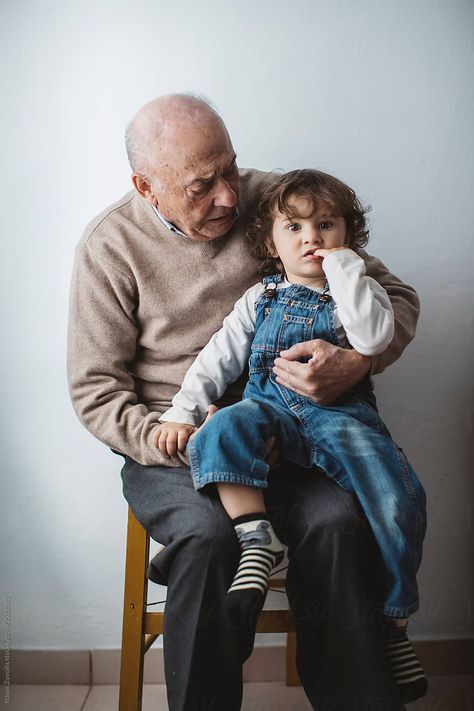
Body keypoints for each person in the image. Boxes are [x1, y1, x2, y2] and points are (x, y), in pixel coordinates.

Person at [68, 93, 420, 711]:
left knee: (337, 522)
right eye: (202, 185)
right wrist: (168, 435)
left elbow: (395, 298)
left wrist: (356, 365)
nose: (229, 196)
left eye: (230, 169)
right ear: (146, 188)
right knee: (208, 542)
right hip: (179, 443)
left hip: (297, 430)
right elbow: (96, 391)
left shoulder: (284, 205)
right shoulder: (109, 246)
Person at [157, 168, 427, 703]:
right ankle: (256, 535)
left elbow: (375, 338)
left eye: (326, 226)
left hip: (341, 419)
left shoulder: (361, 290)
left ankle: (395, 622)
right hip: (271, 412)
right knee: (224, 424)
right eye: (295, 228)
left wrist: (347, 272)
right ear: (270, 243)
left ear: (348, 234)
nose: (312, 239)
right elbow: (216, 360)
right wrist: (181, 412)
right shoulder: (260, 298)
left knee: (396, 502)